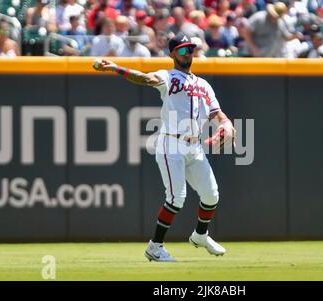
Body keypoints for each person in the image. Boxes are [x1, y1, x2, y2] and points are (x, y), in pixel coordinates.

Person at [92, 33, 236, 262]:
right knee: (176, 198)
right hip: (172, 143)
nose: (187, 52)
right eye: (182, 49)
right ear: (172, 53)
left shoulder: (203, 84)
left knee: (211, 195)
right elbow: (144, 79)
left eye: (190, 48)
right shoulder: (167, 76)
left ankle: (200, 235)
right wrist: (116, 68)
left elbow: (217, 114)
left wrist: (227, 125)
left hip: (195, 146)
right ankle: (155, 247)